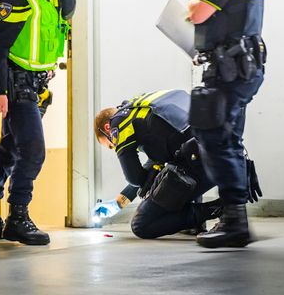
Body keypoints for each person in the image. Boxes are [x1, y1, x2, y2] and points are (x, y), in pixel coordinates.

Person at [0, 0, 76, 245]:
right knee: (33, 151)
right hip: (16, 84)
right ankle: (17, 218)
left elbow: (67, 13)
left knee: (9, 149)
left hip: (38, 86)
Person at [187, 0, 266, 248]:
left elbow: (196, 12)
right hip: (240, 67)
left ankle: (234, 221)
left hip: (230, 70)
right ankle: (234, 217)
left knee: (216, 136)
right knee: (227, 138)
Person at [92, 89, 223, 239]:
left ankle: (218, 208)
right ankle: (196, 223)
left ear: (107, 128)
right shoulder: (141, 108)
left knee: (141, 225)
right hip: (222, 157)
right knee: (173, 174)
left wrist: (151, 184)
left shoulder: (118, 123)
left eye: (110, 144)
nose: (114, 146)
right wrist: (118, 203)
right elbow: (154, 164)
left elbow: (136, 178)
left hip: (200, 163)